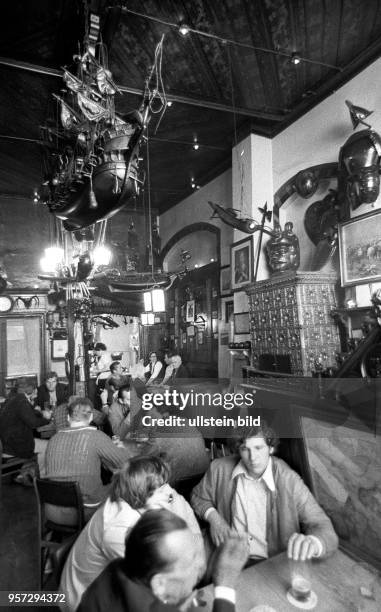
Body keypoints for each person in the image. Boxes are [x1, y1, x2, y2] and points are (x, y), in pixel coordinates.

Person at [60, 456, 202, 612]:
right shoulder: (120, 530)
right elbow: (153, 588)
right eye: (160, 489)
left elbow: (175, 499)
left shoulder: (135, 495)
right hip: (86, 601)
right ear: (142, 495)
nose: (167, 492)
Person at [191, 423, 338, 563]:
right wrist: (214, 519)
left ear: (271, 448)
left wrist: (312, 543)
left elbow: (323, 527)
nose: (252, 457)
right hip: (227, 556)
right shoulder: (219, 468)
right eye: (245, 449)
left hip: (269, 565)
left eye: (258, 448)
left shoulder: (289, 480)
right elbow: (198, 497)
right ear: (238, 450)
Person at [78, 509, 248, 612]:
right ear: (159, 583)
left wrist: (178, 602)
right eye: (191, 560)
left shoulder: (119, 568)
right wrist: (225, 584)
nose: (201, 564)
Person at [45, 397, 136, 520]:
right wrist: (122, 447)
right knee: (121, 483)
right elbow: (125, 462)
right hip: (84, 512)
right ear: (91, 417)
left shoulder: (54, 439)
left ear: (68, 418)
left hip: (52, 511)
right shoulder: (96, 436)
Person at [0, 378, 52, 482]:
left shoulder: (13, 399)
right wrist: (46, 419)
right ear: (30, 390)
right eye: (35, 390)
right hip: (15, 446)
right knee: (49, 446)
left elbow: (30, 413)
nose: (37, 393)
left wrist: (40, 413)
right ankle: (42, 480)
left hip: (7, 444)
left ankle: (26, 474)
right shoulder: (22, 402)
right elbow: (33, 423)